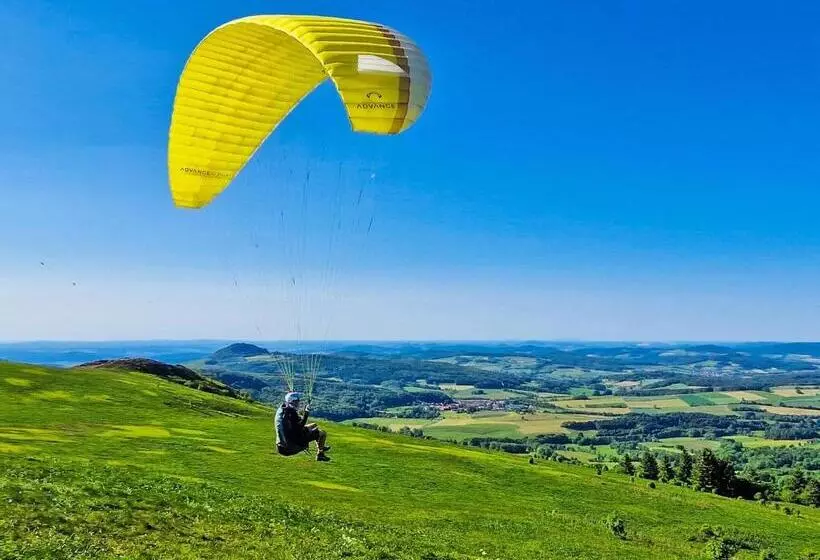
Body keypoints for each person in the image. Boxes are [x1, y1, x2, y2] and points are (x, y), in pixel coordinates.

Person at [274, 391, 331, 461]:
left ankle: (321, 446)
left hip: (290, 436)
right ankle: (320, 454)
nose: (298, 403)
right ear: (292, 401)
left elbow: (295, 426)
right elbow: (299, 427)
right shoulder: (291, 414)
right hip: (295, 441)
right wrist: (306, 413)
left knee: (314, 425)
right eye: (297, 401)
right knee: (322, 433)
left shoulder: (285, 409)